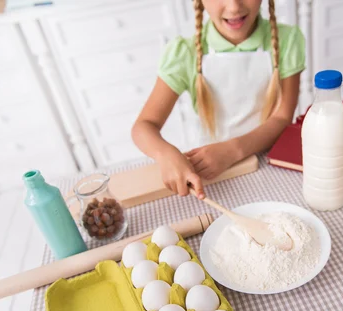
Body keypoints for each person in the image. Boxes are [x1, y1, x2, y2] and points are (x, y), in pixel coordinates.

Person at [131, 0, 305, 199]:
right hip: (213, 173)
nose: (234, 7)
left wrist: (233, 150)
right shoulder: (185, 53)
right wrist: (165, 154)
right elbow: (143, 126)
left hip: (273, 165)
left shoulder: (288, 40)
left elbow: (282, 118)